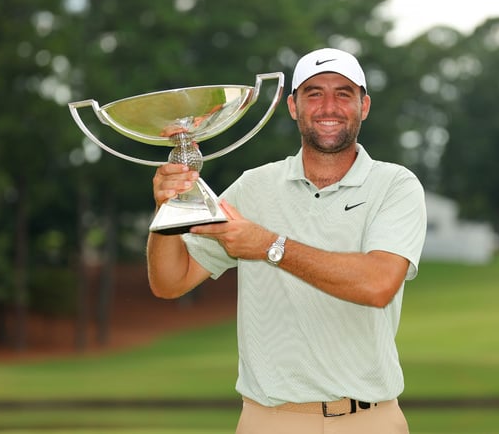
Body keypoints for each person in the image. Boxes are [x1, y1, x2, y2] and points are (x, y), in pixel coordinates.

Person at [147, 47, 427, 434]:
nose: (329, 106)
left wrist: (268, 246)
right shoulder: (254, 186)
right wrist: (166, 208)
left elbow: (378, 284)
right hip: (268, 420)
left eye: (343, 93)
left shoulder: (395, 184)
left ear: (364, 106)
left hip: (369, 420)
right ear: (294, 106)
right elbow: (170, 281)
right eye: (314, 94)